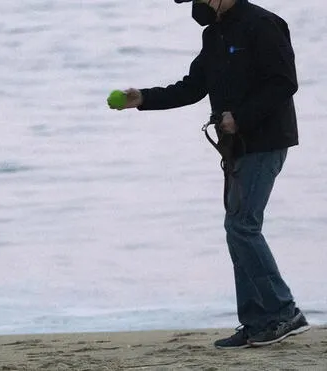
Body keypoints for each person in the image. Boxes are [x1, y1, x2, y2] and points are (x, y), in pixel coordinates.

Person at [109, 0, 310, 349]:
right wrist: (142, 98)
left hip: (266, 140)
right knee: (238, 228)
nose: (196, 4)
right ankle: (256, 321)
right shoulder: (213, 34)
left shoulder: (264, 24)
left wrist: (241, 118)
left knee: (242, 226)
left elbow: (284, 83)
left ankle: (283, 311)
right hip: (237, 147)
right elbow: (192, 87)